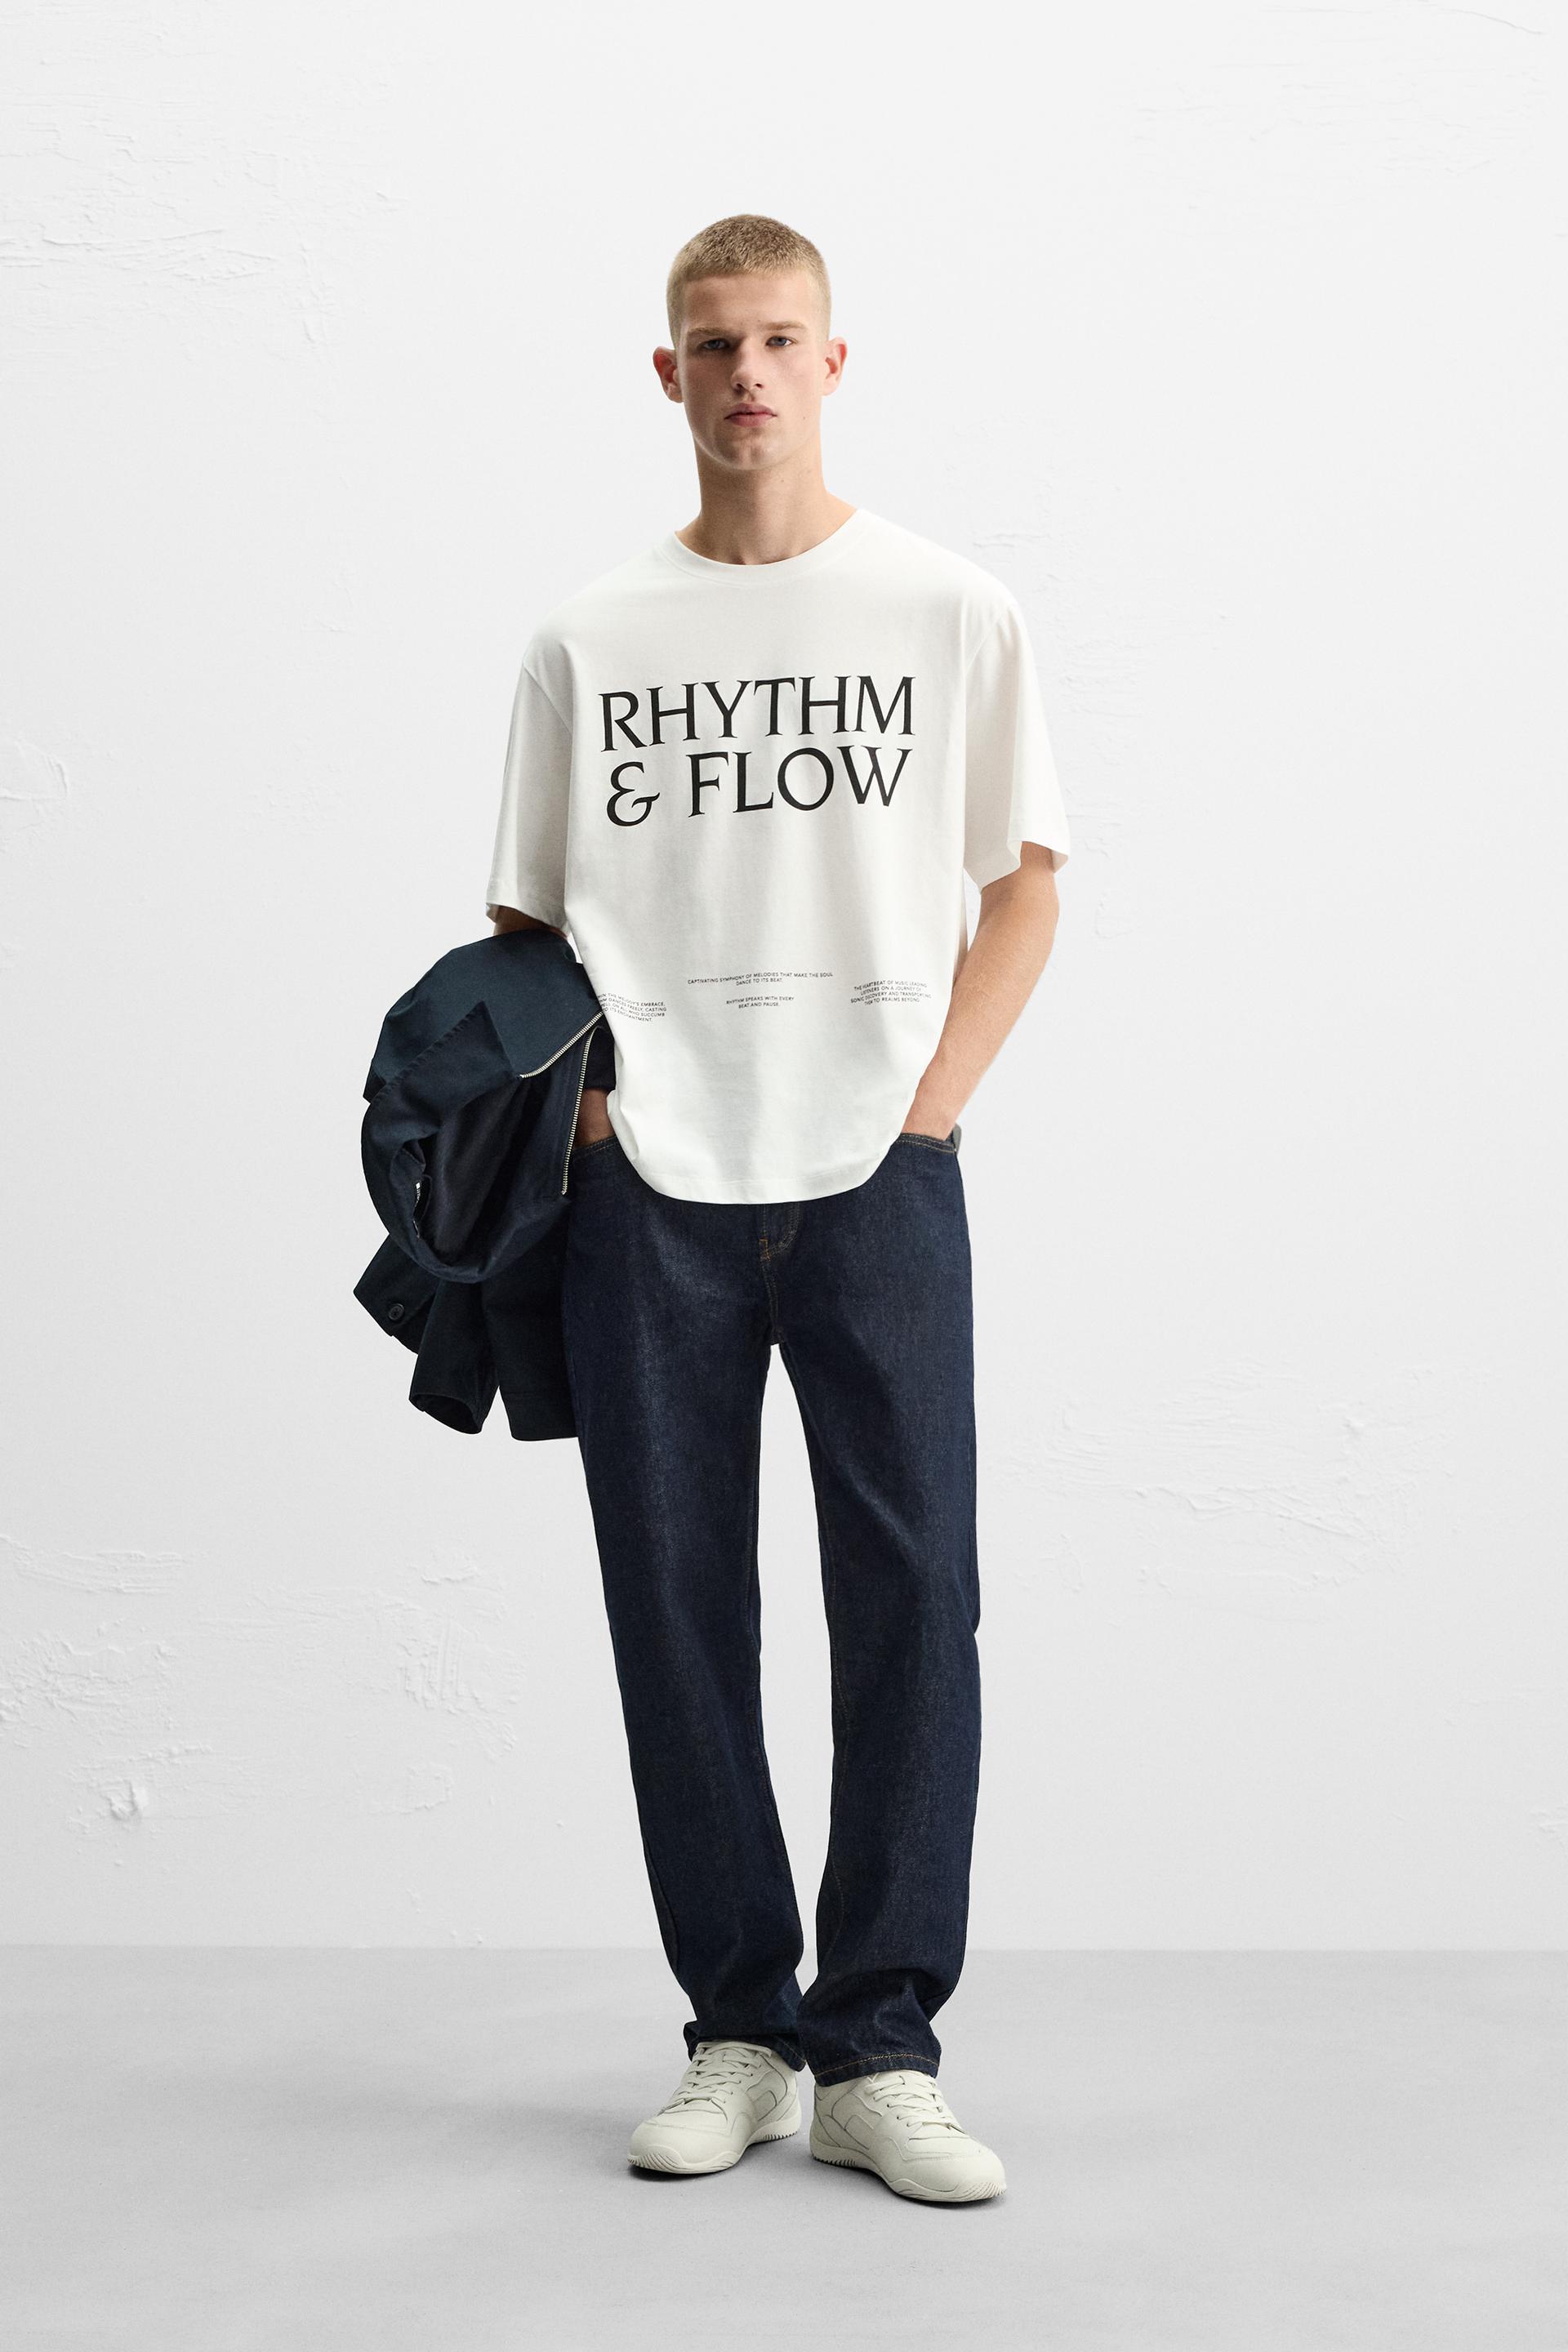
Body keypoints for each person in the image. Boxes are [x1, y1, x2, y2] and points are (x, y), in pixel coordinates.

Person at [485, 213, 1069, 2205]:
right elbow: (525, 928)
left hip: (877, 1177)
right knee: (674, 1603)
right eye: (714, 343)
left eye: (781, 340)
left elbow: (1028, 886)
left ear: (834, 362)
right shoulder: (587, 641)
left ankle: (880, 2049)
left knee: (916, 1602)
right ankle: (738, 2029)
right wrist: (593, 1125)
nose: (748, 373)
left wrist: (928, 1112)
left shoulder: (947, 610)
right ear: (668, 374)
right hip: (649, 1191)